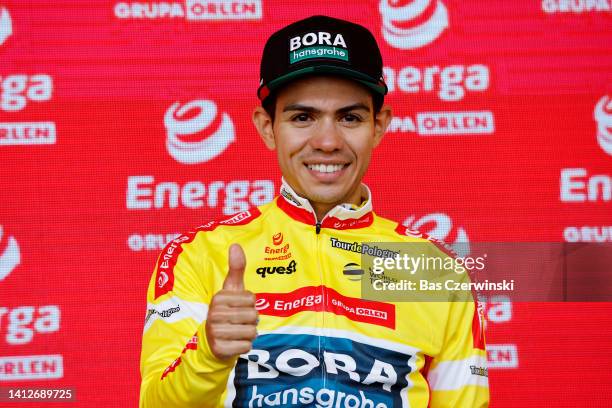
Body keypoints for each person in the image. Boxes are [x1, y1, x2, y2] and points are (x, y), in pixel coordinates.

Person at [139, 15, 489, 407]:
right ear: (267, 127)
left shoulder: (433, 270)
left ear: (379, 125)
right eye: (303, 117)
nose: (326, 141)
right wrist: (210, 353)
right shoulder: (197, 255)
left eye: (350, 118)